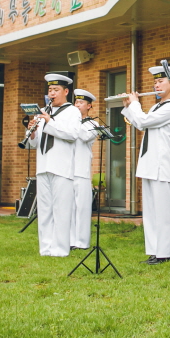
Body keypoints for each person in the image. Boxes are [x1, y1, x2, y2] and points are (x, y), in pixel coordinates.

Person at [123, 65, 170, 265]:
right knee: (150, 212)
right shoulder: (157, 107)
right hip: (149, 163)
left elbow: (144, 121)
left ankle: (165, 253)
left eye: (160, 81)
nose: (156, 85)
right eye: (155, 82)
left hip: (162, 164)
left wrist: (135, 104)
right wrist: (128, 106)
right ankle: (155, 251)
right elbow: (140, 123)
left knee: (163, 212)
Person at [23, 73, 83, 257]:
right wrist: (32, 132)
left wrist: (49, 121)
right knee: (45, 209)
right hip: (43, 166)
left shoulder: (72, 111)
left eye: (56, 90)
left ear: (66, 91)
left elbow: (72, 134)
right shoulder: (42, 111)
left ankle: (60, 249)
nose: (52, 94)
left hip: (61, 166)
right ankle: (46, 248)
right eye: (50, 90)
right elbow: (35, 144)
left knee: (62, 210)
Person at [71, 89, 99, 250]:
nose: (77, 105)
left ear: (89, 106)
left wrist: (74, 120)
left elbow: (84, 136)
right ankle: (70, 239)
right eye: (76, 102)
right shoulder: (71, 122)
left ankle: (81, 242)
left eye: (81, 103)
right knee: (69, 207)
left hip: (81, 170)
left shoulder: (93, 124)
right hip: (68, 169)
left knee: (82, 208)